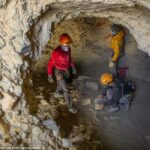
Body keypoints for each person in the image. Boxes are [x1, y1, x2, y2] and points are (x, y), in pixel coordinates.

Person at [47, 33, 77, 114]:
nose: (67, 45)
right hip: (59, 71)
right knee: (66, 89)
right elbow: (50, 64)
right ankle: (70, 107)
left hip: (66, 70)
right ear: (61, 43)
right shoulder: (56, 52)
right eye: (65, 43)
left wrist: (73, 67)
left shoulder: (69, 49)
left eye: (68, 43)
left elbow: (69, 59)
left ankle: (57, 93)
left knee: (62, 82)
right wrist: (49, 75)